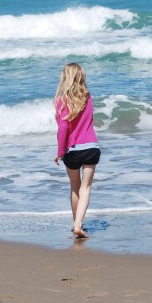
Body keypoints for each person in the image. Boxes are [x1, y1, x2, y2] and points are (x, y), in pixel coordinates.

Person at [53, 62, 100, 239]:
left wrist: (60, 151)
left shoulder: (61, 101)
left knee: (75, 187)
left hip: (72, 150)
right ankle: (78, 224)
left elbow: (63, 128)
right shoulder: (88, 97)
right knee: (86, 188)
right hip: (91, 148)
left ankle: (76, 224)